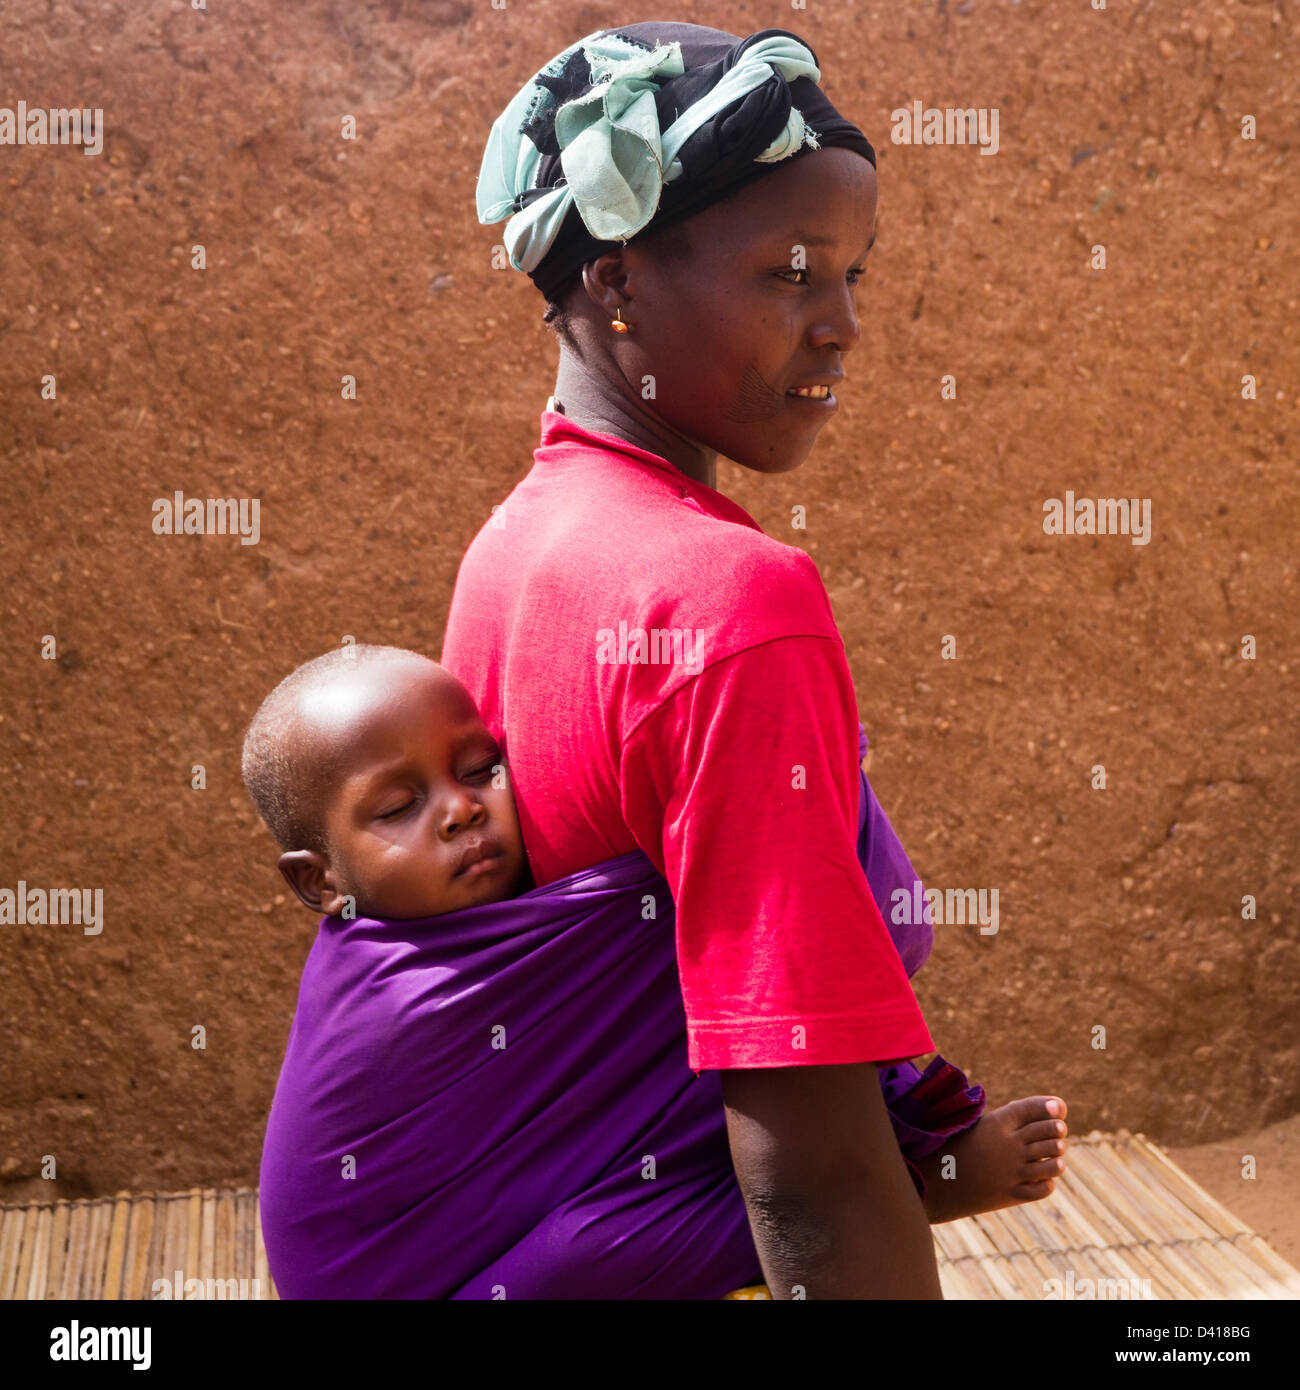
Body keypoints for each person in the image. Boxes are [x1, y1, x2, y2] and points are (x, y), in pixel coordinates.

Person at [445, 20, 1069, 1298]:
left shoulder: (513, 549)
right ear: (615, 284)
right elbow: (811, 1166)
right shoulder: (728, 603)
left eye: (853, 277)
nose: (841, 326)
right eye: (790, 274)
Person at [245, 645, 1056, 1297]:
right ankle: (916, 1181)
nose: (460, 808)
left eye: (480, 767)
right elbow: (662, 932)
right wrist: (772, 776)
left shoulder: (495, 931)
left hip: (510, 1238)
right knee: (592, 1249)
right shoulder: (397, 1001)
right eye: (397, 807)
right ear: (320, 882)